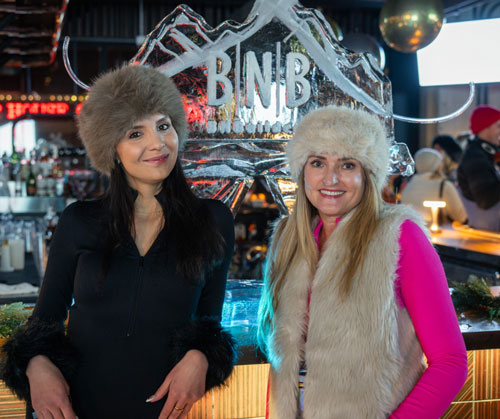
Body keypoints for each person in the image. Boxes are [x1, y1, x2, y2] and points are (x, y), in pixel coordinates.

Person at [1, 65, 236, 419]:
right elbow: (44, 321)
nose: (157, 143)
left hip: (167, 412)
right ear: (112, 148)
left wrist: (202, 355)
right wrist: (35, 365)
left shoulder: (213, 220)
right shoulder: (79, 220)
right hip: (81, 408)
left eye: (163, 126)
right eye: (135, 133)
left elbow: (209, 320)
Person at [258, 105, 467, 419]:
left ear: (367, 174)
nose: (330, 178)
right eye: (318, 162)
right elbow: (282, 358)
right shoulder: (287, 237)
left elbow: (450, 362)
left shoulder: (400, 236)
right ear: (303, 170)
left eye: (347, 164)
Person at [457, 105, 500, 231]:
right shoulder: (475, 157)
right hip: (490, 228)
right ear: (485, 128)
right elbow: (485, 200)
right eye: (498, 126)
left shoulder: (485, 153)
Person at [401, 148, 467, 224]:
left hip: (414, 232)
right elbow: (461, 217)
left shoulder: (408, 187)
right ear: (437, 165)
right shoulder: (444, 185)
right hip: (440, 233)